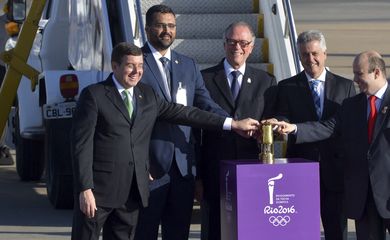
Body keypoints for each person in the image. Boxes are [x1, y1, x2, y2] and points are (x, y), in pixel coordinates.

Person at [70, 42, 259, 240]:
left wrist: (233, 124)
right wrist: (85, 188)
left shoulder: (147, 95)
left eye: (140, 66)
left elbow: (185, 113)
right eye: (130, 66)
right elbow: (81, 145)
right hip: (98, 191)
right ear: (115, 66)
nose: (137, 71)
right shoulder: (94, 95)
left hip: (132, 193)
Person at [135, 4, 229, 240]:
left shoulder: (188, 64)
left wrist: (232, 122)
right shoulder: (135, 64)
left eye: (171, 26)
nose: (167, 31)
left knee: (178, 233)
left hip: (183, 168)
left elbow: (205, 104)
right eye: (160, 25)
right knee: (143, 232)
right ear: (147, 29)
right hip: (149, 167)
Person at [273, 50, 390, 240]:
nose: (354, 79)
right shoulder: (351, 105)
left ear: (376, 72)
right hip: (364, 197)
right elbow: (326, 127)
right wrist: (293, 128)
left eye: (359, 74)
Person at [197, 21, 277, 240]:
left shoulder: (266, 81)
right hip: (214, 171)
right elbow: (196, 132)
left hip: (253, 171)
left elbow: (272, 126)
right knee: (214, 230)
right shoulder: (203, 79)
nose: (237, 47)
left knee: (251, 230)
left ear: (251, 47)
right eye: (232, 42)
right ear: (224, 44)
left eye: (243, 42)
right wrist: (198, 177)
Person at [274, 30, 355, 240]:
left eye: (315, 53)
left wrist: (296, 128)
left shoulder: (345, 87)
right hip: (301, 170)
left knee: (336, 231)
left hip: (335, 172)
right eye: (304, 55)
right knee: (301, 231)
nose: (310, 59)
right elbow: (283, 117)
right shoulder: (286, 87)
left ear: (325, 53)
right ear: (299, 56)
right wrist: (279, 124)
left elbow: (341, 126)